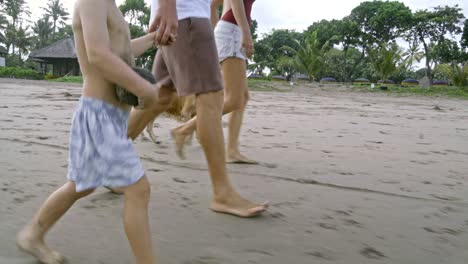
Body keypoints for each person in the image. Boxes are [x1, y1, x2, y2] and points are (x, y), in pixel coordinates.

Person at [15, 0, 169, 263]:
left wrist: (153, 39)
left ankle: (32, 234)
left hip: (110, 116)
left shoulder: (109, 6)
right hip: (99, 115)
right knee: (138, 189)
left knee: (81, 185)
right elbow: (97, 54)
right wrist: (145, 90)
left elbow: (122, 52)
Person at [127, 0, 267, 218]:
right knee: (211, 96)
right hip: (184, 15)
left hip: (183, 15)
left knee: (161, 97)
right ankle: (222, 193)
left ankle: (108, 157)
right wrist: (168, 7)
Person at [171, 0, 257, 164]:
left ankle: (232, 150)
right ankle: (183, 129)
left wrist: (217, 32)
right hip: (233, 31)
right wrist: (245, 33)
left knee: (242, 97)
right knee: (234, 100)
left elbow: (212, 4)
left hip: (230, 30)